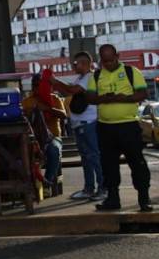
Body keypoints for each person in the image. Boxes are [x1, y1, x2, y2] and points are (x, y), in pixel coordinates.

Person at [86, 44, 153, 212]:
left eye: (111, 60)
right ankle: (113, 199)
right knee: (108, 165)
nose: (107, 64)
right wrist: (103, 99)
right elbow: (90, 97)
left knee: (137, 163)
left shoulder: (132, 72)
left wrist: (124, 98)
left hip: (128, 126)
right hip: (105, 128)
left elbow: (143, 94)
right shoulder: (96, 75)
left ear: (118, 56)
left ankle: (144, 199)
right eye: (104, 61)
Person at [49, 51, 105, 201]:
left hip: (89, 123)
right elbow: (68, 90)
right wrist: (56, 84)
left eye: (76, 63)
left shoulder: (90, 77)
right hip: (79, 124)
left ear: (85, 63)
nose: (73, 65)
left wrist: (55, 81)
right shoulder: (80, 78)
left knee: (94, 156)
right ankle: (88, 188)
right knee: (86, 157)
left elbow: (70, 90)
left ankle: (103, 188)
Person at [21, 73, 67, 191]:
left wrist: (47, 109)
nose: (37, 88)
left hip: (53, 138)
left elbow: (63, 115)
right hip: (33, 140)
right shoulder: (26, 101)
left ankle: (46, 184)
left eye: (40, 85)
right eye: (35, 85)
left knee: (53, 150)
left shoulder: (55, 99)